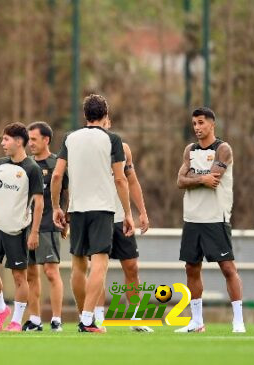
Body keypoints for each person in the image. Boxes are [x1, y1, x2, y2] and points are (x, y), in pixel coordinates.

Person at [50, 94, 134, 333]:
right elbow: (120, 179)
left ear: (85, 115)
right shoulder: (114, 140)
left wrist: (57, 207)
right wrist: (128, 213)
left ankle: (84, 316)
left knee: (78, 265)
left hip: (76, 210)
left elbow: (57, 176)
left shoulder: (70, 138)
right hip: (103, 209)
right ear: (105, 115)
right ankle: (87, 319)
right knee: (100, 263)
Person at [175, 107, 245, 333]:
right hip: (192, 218)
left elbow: (213, 178)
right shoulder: (190, 150)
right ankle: (196, 321)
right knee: (191, 267)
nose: (197, 127)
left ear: (212, 124)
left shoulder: (223, 149)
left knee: (227, 267)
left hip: (216, 217)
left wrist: (196, 177)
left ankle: (238, 321)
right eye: (194, 123)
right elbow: (179, 181)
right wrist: (201, 178)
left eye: (201, 123)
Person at [0, 122, 44, 332]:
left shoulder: (32, 169)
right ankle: (1, 310)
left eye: (6, 139)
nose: (2, 143)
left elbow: (39, 203)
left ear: (18, 142)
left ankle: (16, 321)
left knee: (19, 276)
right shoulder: (0, 164)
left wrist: (34, 232)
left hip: (17, 230)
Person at [92, 117, 153, 333]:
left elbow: (131, 180)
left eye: (106, 120)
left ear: (108, 122)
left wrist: (142, 212)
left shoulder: (123, 148)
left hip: (121, 218)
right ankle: (97, 318)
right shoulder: (87, 148)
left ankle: (136, 317)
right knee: (99, 269)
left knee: (132, 267)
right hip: (99, 217)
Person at [23, 121, 68, 332]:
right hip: (26, 225)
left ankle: (57, 319)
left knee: (51, 272)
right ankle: (35, 319)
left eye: (33, 139)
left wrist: (66, 219)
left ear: (46, 140)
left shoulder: (56, 164)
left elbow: (67, 192)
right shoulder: (26, 164)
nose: (29, 143)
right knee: (31, 273)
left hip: (49, 224)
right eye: (28, 139)